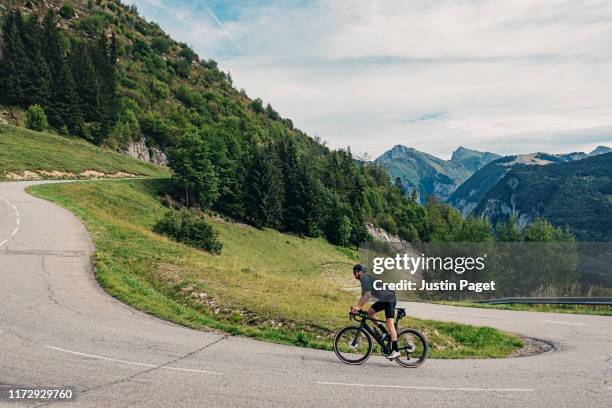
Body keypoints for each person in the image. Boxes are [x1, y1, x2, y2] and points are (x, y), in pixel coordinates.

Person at [351, 263, 400, 358]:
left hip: (389, 298)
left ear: (360, 272)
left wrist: (359, 307)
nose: (353, 273)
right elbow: (362, 296)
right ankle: (384, 332)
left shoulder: (365, 279)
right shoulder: (364, 280)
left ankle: (395, 349)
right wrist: (357, 307)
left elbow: (367, 295)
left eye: (354, 271)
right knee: (369, 313)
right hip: (385, 298)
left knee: (390, 323)